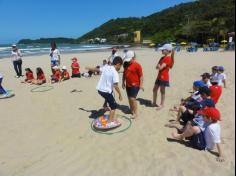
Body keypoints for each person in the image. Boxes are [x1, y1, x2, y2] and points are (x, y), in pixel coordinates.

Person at [85, 56, 123, 121]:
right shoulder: (115, 73)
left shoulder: (106, 67)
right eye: (120, 66)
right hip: (105, 92)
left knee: (110, 93)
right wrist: (120, 94)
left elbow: (97, 69)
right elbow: (116, 86)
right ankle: (110, 121)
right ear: (118, 64)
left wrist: (89, 68)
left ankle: (105, 105)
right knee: (113, 106)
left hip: (99, 90)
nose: (120, 68)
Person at [122, 51, 144, 119]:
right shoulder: (126, 64)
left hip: (135, 85)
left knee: (132, 99)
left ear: (133, 58)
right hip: (128, 85)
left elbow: (141, 76)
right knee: (129, 99)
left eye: (129, 60)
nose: (128, 61)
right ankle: (131, 109)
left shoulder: (137, 65)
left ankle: (136, 113)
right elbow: (124, 74)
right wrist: (123, 82)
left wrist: (141, 85)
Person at [153, 43, 174, 110]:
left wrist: (159, 66)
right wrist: (159, 66)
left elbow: (160, 67)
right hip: (159, 76)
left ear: (168, 51)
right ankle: (154, 102)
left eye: (163, 50)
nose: (161, 51)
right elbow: (157, 67)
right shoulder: (162, 58)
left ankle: (162, 104)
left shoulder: (168, 58)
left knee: (162, 91)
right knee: (154, 89)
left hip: (164, 77)